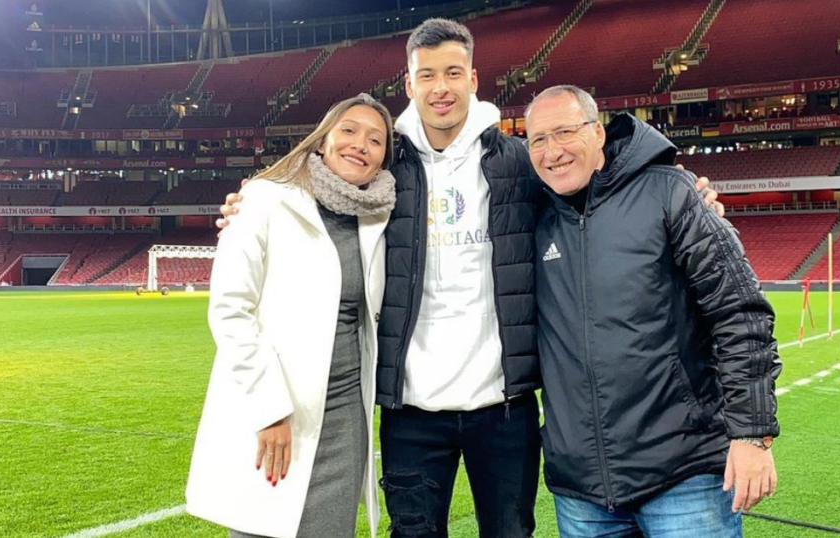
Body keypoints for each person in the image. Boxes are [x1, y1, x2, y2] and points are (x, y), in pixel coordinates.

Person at [215, 19, 722, 538]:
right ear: (409, 85)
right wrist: (249, 203)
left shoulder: (518, 163)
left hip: (504, 408)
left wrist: (683, 188)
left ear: (473, 79)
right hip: (411, 409)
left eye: (453, 72)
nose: (441, 87)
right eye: (427, 75)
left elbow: (591, 186)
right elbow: (326, 187)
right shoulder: (388, 169)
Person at [525, 85, 781, 538]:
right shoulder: (533, 216)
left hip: (683, 475)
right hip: (581, 489)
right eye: (538, 140)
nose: (552, 151)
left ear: (598, 133)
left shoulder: (669, 192)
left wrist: (751, 434)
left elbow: (740, 312)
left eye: (564, 132)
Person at [185, 94, 397, 538]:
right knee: (260, 526)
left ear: (382, 159)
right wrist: (270, 409)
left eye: (376, 140)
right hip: (279, 407)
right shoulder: (264, 199)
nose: (361, 144)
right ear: (322, 141)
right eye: (349, 131)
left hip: (344, 416)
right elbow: (230, 309)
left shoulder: (379, 215)